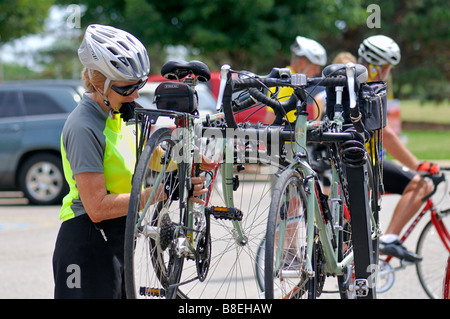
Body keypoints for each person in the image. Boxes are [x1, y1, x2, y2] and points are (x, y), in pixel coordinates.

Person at [52, 24, 212, 298]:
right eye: (128, 89)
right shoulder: (83, 126)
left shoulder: (121, 112)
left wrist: (186, 162)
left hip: (119, 235)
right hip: (87, 242)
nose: (136, 95)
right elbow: (97, 207)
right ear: (98, 81)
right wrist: (159, 193)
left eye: (139, 85)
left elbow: (155, 158)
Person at [358, 35, 440, 262]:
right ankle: (390, 238)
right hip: (367, 162)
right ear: (375, 67)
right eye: (387, 68)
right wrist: (417, 165)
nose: (388, 73)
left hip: (343, 161)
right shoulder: (370, 90)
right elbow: (384, 134)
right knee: (421, 183)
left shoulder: (347, 83)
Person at [268, 36, 327, 122]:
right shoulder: (287, 83)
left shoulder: (284, 77)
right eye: (315, 67)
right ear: (302, 63)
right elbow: (273, 120)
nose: (317, 71)